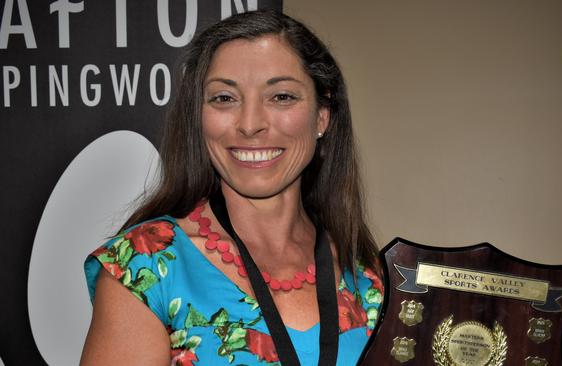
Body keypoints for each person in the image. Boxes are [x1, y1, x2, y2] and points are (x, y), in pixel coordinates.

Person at [80, 10, 383, 366]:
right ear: (198, 115)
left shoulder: (367, 273)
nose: (250, 124)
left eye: (281, 96)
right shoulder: (147, 267)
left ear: (322, 115)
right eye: (224, 98)